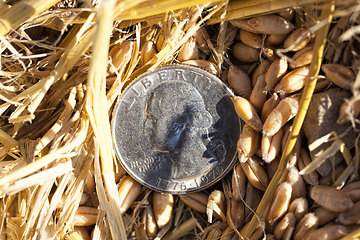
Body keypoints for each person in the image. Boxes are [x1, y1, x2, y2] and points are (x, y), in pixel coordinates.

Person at [143, 80, 225, 179]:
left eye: (154, 119)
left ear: (180, 124)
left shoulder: (191, 169)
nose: (145, 130)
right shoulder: (176, 170)